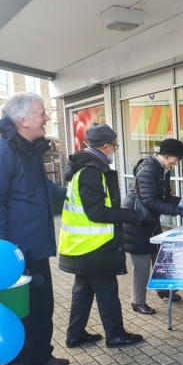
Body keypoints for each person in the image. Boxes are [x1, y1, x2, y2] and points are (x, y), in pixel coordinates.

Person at [0, 92, 69, 365]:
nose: (47, 118)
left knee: (43, 308)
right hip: (13, 255)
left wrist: (72, 189)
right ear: (24, 120)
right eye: (42, 113)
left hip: (36, 248)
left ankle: (41, 356)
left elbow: (42, 189)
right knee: (19, 316)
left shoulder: (29, 150)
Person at [59, 123, 144, 349]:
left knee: (83, 291)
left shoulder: (84, 168)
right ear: (105, 146)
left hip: (80, 246)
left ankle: (75, 334)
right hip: (94, 246)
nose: (115, 149)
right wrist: (129, 215)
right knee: (107, 291)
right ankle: (116, 335)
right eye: (114, 145)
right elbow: (96, 212)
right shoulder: (92, 171)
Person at [122, 139, 183, 313]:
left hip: (149, 220)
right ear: (165, 155)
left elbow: (165, 197)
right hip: (136, 220)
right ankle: (137, 302)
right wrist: (178, 211)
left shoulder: (163, 169)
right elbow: (150, 201)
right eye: (175, 159)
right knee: (141, 264)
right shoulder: (148, 171)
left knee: (161, 257)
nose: (176, 164)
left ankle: (163, 290)